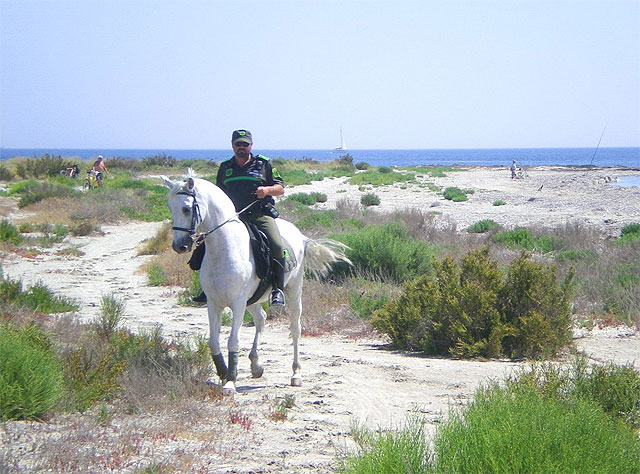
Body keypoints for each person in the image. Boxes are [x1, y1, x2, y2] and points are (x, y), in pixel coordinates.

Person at [193, 129, 287, 306]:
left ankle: (277, 289)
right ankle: (207, 288)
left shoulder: (263, 164)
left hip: (259, 215)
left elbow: (280, 188)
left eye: (245, 144)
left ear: (251, 145)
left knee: (276, 244)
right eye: (238, 144)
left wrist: (266, 190)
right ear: (232, 145)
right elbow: (217, 194)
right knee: (205, 244)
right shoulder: (225, 168)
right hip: (231, 218)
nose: (241, 147)